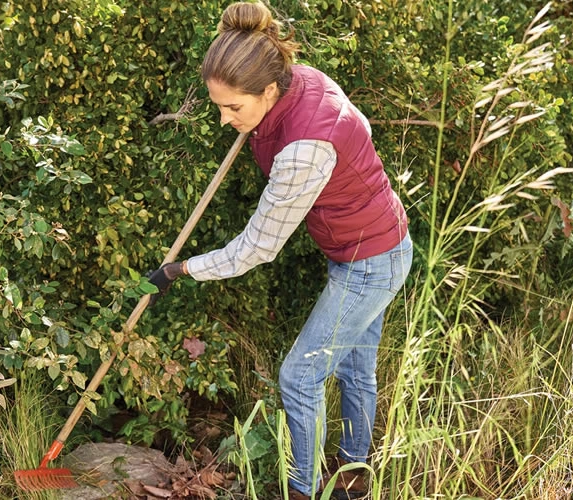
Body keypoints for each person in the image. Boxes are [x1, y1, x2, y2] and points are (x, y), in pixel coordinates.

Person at [147, 2, 412, 498]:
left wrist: (181, 269)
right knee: (355, 364)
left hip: (373, 261)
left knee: (300, 376)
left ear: (269, 89)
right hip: (377, 241)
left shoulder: (305, 147)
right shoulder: (297, 80)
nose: (225, 120)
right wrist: (255, 123)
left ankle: (302, 489)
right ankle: (355, 475)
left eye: (234, 108)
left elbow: (257, 248)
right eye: (218, 107)